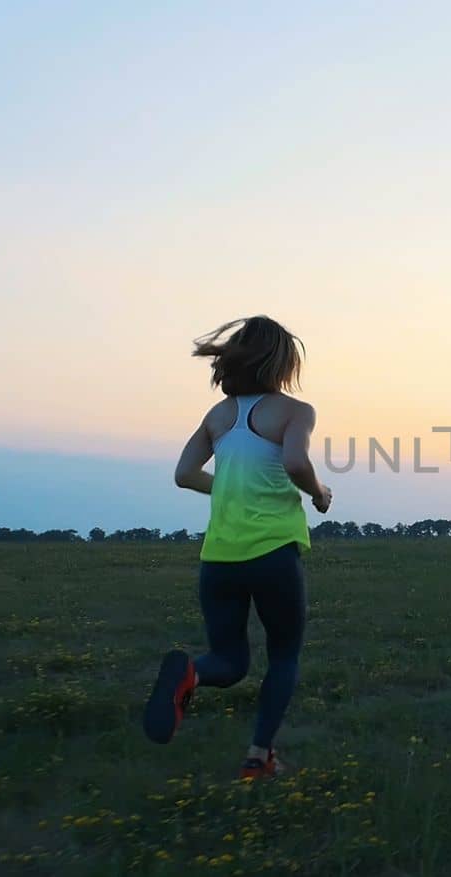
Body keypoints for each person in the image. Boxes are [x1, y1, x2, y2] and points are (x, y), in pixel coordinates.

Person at [143, 316, 332, 780]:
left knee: (228, 662)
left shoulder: (218, 416)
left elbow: (184, 474)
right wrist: (318, 493)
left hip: (218, 560)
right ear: (284, 362)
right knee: (284, 655)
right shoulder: (294, 411)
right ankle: (258, 757)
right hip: (272, 554)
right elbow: (293, 460)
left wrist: (231, 488)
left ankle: (189, 673)